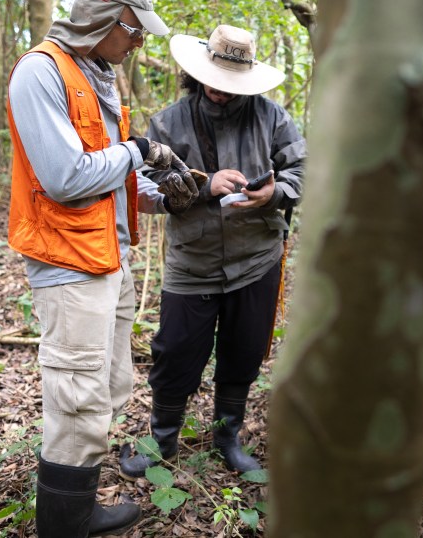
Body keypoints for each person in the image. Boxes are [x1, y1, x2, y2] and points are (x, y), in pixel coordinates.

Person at [5, 0, 198, 538]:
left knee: (108, 386)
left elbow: (108, 179)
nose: (138, 43)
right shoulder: (41, 72)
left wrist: (167, 199)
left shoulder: (96, 75)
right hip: (67, 265)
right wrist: (138, 151)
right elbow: (67, 177)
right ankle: (63, 526)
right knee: (76, 394)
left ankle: (78, 507)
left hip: (107, 258)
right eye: (134, 31)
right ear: (107, 18)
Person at [119, 24, 307, 479]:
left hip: (257, 258)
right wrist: (204, 185)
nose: (220, 92)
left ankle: (227, 436)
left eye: (230, 85)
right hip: (193, 260)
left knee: (243, 352)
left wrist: (276, 191)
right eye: (213, 81)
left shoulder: (272, 118)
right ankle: (162, 438)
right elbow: (148, 189)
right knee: (176, 350)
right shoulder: (167, 123)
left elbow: (304, 169)